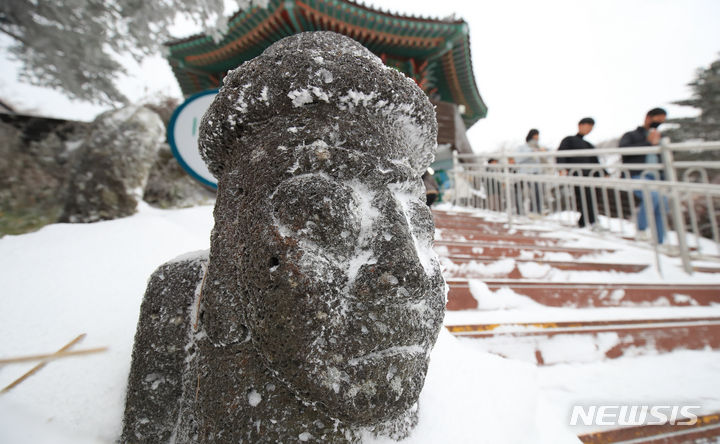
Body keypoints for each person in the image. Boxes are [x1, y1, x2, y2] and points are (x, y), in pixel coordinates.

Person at [619, 108, 668, 243]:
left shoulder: (661, 138)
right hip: (636, 175)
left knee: (662, 203)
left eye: (661, 122)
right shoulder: (632, 135)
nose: (658, 124)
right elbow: (624, 151)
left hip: (657, 177)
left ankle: (660, 241)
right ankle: (641, 230)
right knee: (651, 195)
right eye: (656, 120)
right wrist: (648, 143)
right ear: (648, 118)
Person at [557, 117, 601, 228]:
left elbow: (596, 161)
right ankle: (589, 222)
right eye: (588, 126)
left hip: (591, 176)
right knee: (584, 197)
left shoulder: (589, 145)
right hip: (577, 174)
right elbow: (561, 154)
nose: (589, 129)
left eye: (591, 127)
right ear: (580, 125)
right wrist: (562, 168)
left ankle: (588, 221)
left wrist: (604, 172)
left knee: (594, 197)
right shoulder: (569, 140)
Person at [514, 129, 546, 215]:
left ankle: (536, 212)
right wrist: (532, 151)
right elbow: (518, 159)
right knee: (520, 194)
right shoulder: (522, 148)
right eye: (535, 136)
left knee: (538, 192)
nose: (537, 138)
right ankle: (519, 212)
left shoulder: (539, 147)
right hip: (524, 173)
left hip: (536, 172)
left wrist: (542, 151)